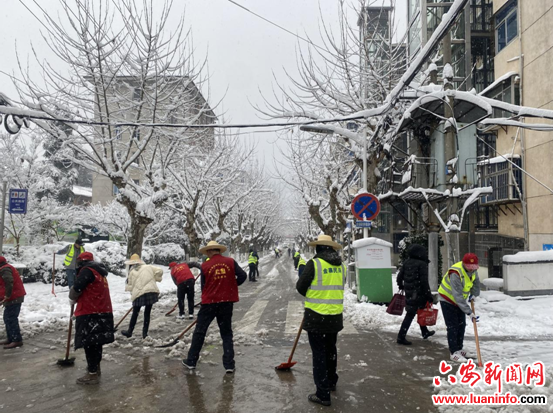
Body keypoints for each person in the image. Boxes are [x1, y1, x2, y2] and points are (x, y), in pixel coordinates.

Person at [182, 240, 247, 373]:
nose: (207, 254)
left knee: (200, 331)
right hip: (226, 302)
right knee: (226, 333)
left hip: (209, 303)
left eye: (207, 252)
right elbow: (243, 275)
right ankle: (229, 364)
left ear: (210, 251)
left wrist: (207, 297)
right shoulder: (230, 262)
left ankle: (191, 361)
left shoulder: (205, 266)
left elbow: (203, 286)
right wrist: (231, 285)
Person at [296, 234, 345, 407]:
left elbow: (300, 287)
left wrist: (313, 295)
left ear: (318, 248)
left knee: (319, 354)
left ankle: (322, 393)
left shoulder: (314, 264)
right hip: (335, 317)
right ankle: (331, 381)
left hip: (317, 317)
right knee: (331, 350)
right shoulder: (341, 266)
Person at [69, 252, 114, 385]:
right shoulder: (100, 273)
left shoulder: (87, 271)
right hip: (102, 310)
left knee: (89, 342)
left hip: (90, 311)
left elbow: (77, 288)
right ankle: (95, 367)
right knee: (97, 342)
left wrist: (72, 297)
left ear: (81, 261)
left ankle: (92, 373)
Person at [438, 253, 481, 363]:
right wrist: (469, 312)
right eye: (469, 266)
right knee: (453, 326)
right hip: (447, 299)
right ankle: (453, 352)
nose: (471, 269)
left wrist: (474, 294)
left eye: (474, 267)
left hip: (459, 301)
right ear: (464, 264)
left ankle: (459, 348)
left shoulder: (473, 271)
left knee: (461, 325)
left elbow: (476, 283)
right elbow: (457, 296)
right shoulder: (455, 273)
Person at [396, 244, 435, 345]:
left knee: (419, 311)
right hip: (419, 293)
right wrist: (428, 295)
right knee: (411, 314)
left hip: (410, 292)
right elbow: (424, 282)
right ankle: (401, 337)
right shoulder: (422, 264)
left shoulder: (407, 262)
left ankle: (424, 332)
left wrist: (401, 286)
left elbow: (399, 277)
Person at [121, 254, 163, 339]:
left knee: (135, 313)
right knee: (147, 313)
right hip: (150, 292)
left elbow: (130, 285)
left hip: (139, 294)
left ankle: (130, 331)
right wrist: (155, 278)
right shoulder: (148, 267)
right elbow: (160, 271)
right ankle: (145, 334)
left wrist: (132, 294)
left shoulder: (131, 272)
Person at [0, 256, 26, 349]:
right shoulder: (4, 268)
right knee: (7, 318)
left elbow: (9, 283)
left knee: (11, 318)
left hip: (15, 296)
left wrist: (7, 296)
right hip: (13, 296)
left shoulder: (5, 269)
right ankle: (11, 338)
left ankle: (16, 340)